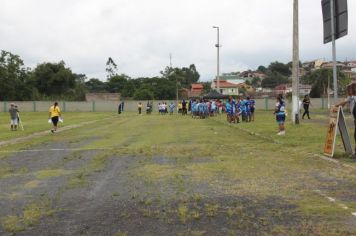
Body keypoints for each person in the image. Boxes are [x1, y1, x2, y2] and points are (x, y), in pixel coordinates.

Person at [334, 84, 356, 154]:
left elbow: (342, 103)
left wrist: (335, 106)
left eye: (348, 90)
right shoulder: (351, 97)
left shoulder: (352, 97)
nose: (347, 91)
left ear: (352, 90)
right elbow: (343, 104)